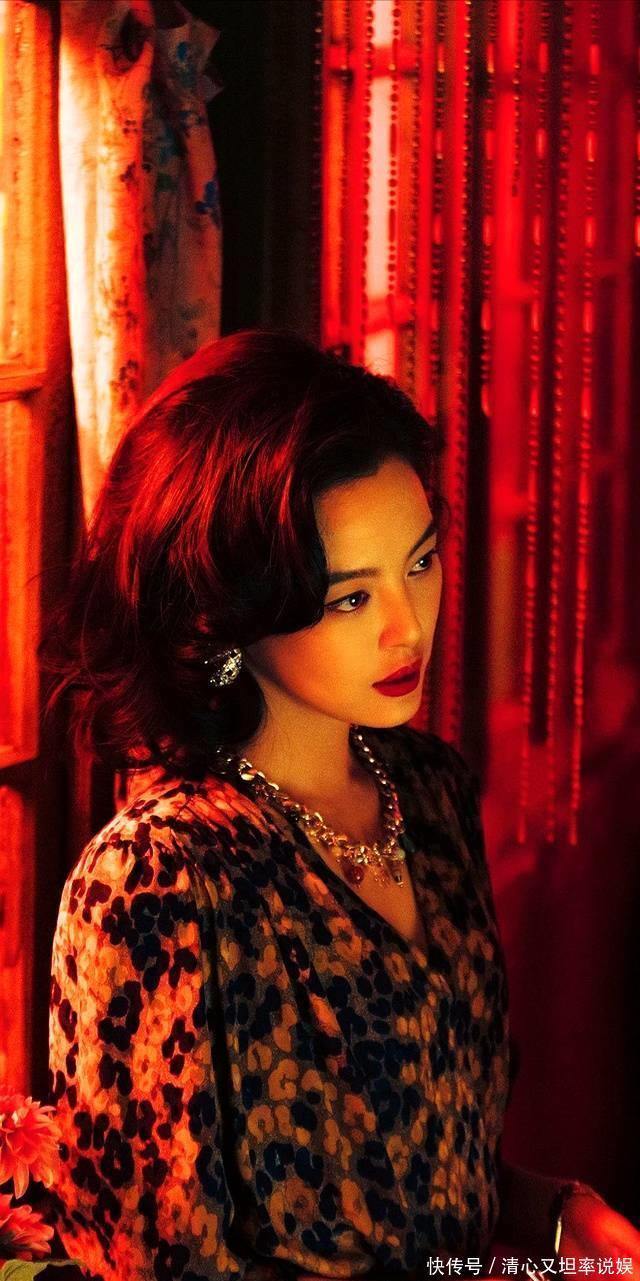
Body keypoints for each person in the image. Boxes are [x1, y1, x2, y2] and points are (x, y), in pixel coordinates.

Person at [41, 329, 640, 1281]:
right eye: (349, 598)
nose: (408, 626)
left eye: (420, 561)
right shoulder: (156, 880)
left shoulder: (428, 792)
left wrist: (561, 1220)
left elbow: (427, 1173)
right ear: (232, 611)